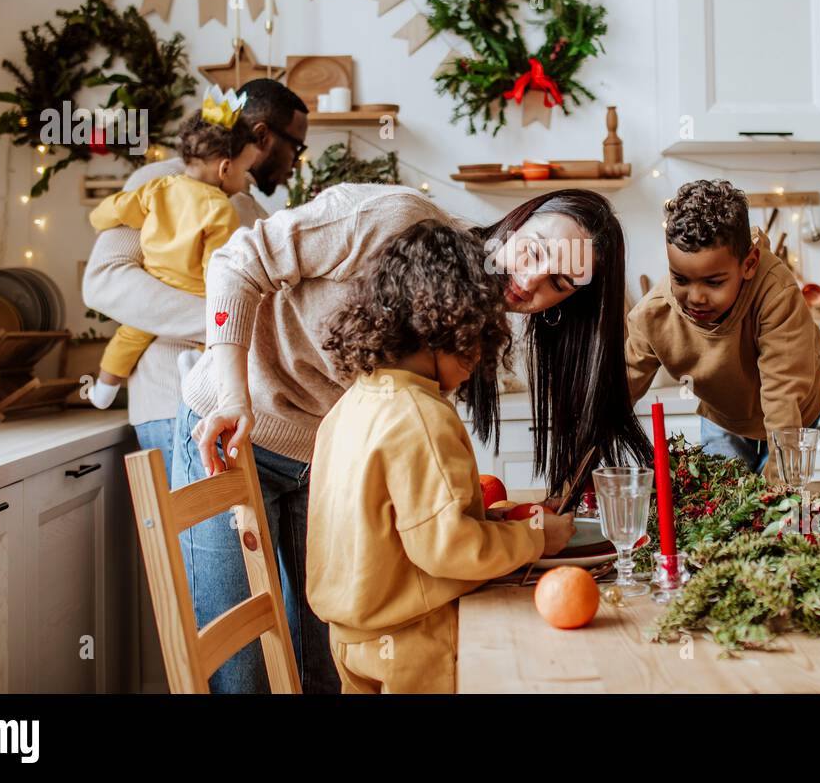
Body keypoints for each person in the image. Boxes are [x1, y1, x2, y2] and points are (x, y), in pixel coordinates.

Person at [173, 186, 649, 693]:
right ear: (516, 220)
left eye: (557, 282)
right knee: (242, 674)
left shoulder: (460, 332)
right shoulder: (392, 221)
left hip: (324, 457)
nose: (530, 280)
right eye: (532, 249)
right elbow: (234, 262)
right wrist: (232, 395)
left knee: (322, 665)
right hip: (231, 432)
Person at [306, 220, 576, 694]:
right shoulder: (421, 416)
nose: (477, 364)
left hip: (350, 639)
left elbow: (398, 530)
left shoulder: (352, 403)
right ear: (446, 325)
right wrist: (535, 538)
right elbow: (448, 549)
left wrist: (494, 522)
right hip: (412, 637)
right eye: (478, 344)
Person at [81, 79, 308, 480]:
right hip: (175, 405)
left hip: (237, 412)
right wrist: (229, 324)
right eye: (296, 147)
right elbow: (105, 280)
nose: (295, 163)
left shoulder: (250, 205)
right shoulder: (164, 184)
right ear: (262, 136)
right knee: (194, 542)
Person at [625, 179, 820, 473]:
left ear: (748, 264)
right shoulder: (653, 315)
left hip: (794, 409)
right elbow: (616, 398)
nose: (695, 297)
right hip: (725, 415)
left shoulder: (776, 293)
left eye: (714, 282)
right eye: (680, 279)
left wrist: (780, 488)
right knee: (727, 499)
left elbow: (782, 394)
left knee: (777, 498)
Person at [86, 88, 260, 410]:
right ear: (224, 168)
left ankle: (103, 389)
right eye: (244, 168)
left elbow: (120, 208)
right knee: (216, 337)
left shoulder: (159, 187)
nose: (246, 177)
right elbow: (218, 266)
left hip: (156, 278)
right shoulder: (221, 209)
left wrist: (98, 218)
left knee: (128, 337)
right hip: (194, 289)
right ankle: (194, 367)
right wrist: (221, 302)